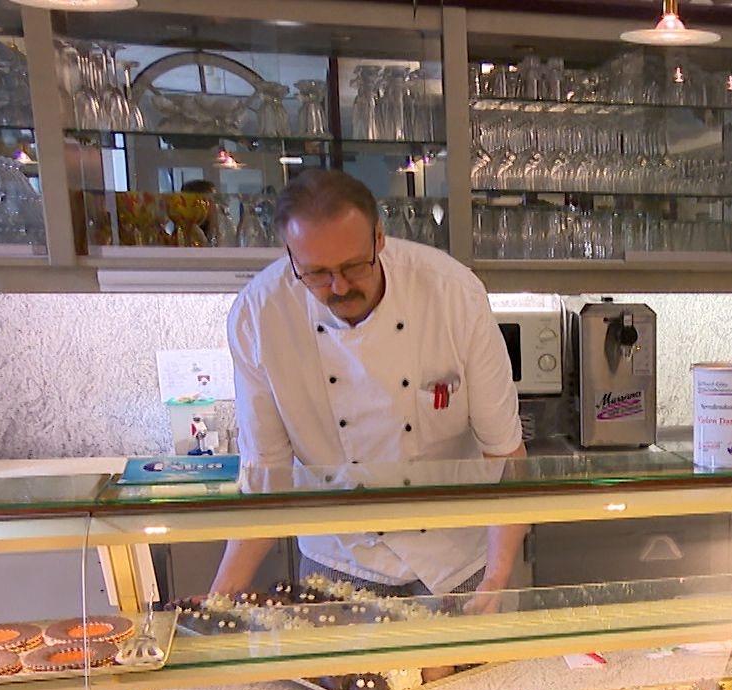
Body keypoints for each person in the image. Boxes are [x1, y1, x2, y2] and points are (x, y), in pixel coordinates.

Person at [210, 170, 525, 604]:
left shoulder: (452, 293)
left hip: (457, 563)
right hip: (338, 562)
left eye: (353, 266)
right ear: (291, 256)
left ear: (379, 238)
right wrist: (217, 601)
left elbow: (505, 457)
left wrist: (496, 578)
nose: (339, 287)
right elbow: (268, 478)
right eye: (317, 273)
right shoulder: (259, 315)